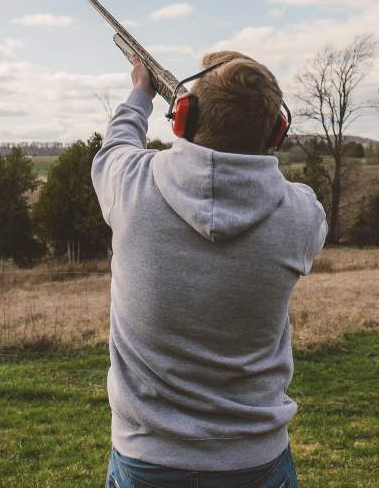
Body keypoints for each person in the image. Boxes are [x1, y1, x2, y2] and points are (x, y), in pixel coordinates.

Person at [92, 50, 328, 488]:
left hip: (146, 455)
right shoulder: (302, 214)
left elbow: (117, 142)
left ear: (181, 118)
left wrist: (142, 91)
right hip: (254, 460)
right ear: (277, 131)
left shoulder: (131, 184)